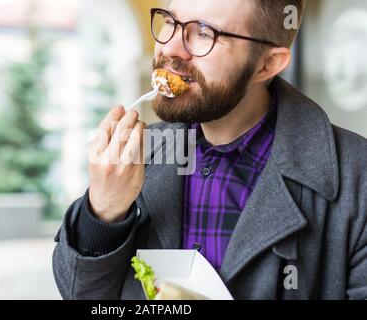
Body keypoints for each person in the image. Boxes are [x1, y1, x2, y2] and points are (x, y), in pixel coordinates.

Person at [53, 0, 367, 299]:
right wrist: (103, 212)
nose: (170, 49)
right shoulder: (139, 154)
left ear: (267, 64)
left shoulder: (357, 177)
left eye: (204, 32)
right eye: (169, 22)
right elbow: (81, 293)